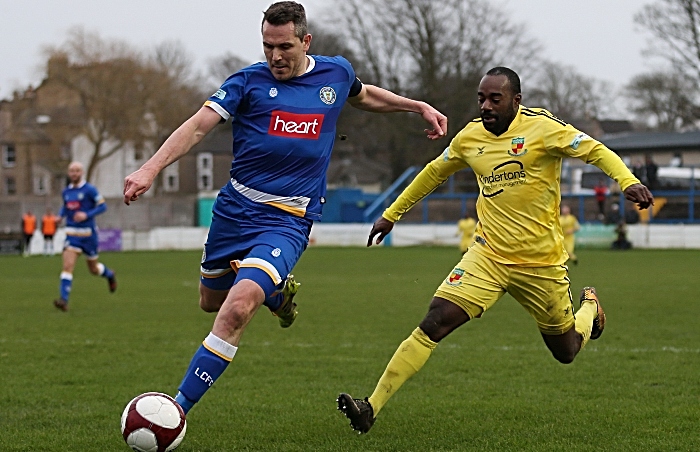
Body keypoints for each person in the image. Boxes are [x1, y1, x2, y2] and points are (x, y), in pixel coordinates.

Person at [122, 1, 447, 417]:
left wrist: (415, 105)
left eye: (285, 46)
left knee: (237, 309)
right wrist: (150, 169)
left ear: (305, 41)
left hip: (289, 219)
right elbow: (198, 126)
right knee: (210, 301)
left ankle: (176, 409)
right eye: (267, 46)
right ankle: (277, 293)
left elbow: (364, 97)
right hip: (235, 211)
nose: (275, 56)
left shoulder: (336, 73)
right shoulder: (247, 82)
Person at [336, 67, 654, 434]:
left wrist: (627, 181)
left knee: (566, 351)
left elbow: (596, 151)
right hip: (487, 257)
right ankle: (370, 406)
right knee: (435, 320)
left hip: (541, 264)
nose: (485, 106)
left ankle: (591, 307)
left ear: (516, 100)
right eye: (481, 99)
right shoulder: (470, 137)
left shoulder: (544, 129)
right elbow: (432, 173)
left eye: (494, 99)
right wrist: (391, 215)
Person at [53, 161, 117, 311]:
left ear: (81, 173)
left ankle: (109, 274)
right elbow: (65, 206)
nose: (74, 173)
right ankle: (63, 300)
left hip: (88, 235)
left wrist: (86, 215)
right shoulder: (66, 192)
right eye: (71, 171)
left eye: (77, 171)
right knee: (67, 266)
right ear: (69, 173)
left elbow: (103, 206)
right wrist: (60, 216)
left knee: (93, 269)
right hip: (72, 234)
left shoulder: (90, 190)